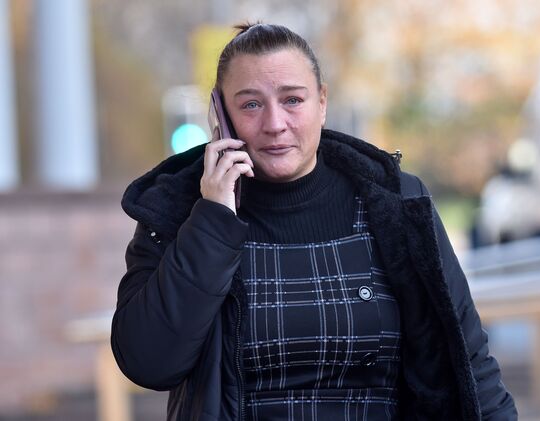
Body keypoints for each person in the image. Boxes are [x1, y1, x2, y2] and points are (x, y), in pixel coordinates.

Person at [111, 23, 518, 420]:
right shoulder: (179, 212)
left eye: (292, 100)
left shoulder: (396, 204)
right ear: (220, 114)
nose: (275, 124)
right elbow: (149, 362)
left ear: (322, 103)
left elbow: (469, 361)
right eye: (250, 104)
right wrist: (213, 220)